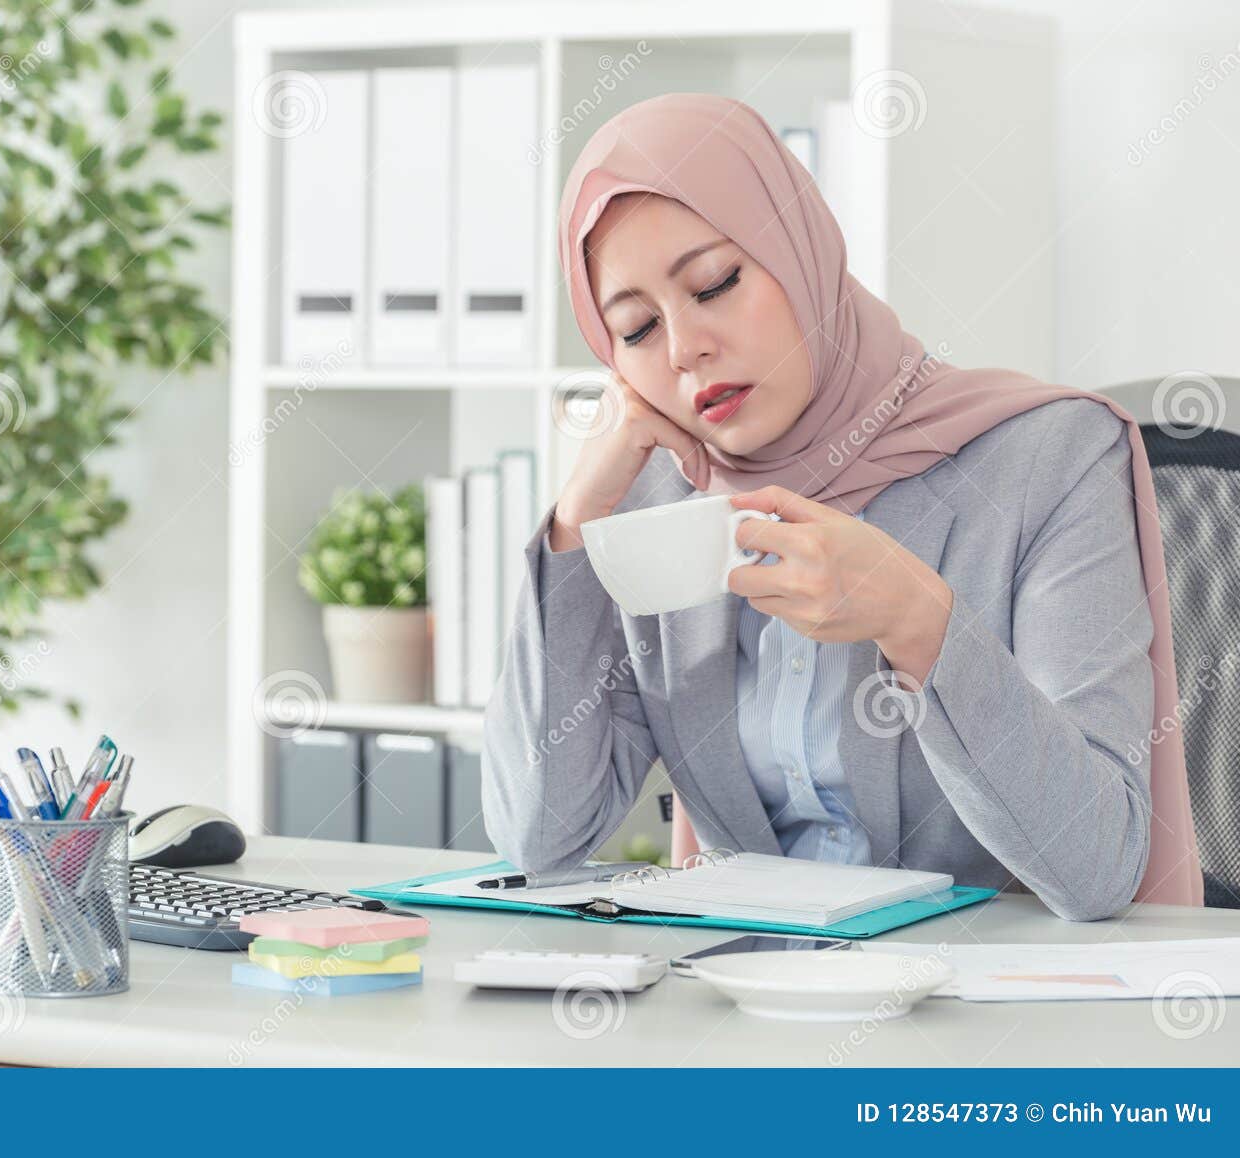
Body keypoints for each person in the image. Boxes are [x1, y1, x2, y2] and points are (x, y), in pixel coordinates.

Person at [480, 93, 1202, 920]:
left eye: (714, 283)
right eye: (637, 330)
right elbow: (538, 837)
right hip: (738, 1000)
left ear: (799, 253)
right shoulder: (657, 494)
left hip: (980, 1017)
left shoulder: (1047, 457)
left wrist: (919, 623)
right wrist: (576, 524)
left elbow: (1097, 866)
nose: (685, 349)